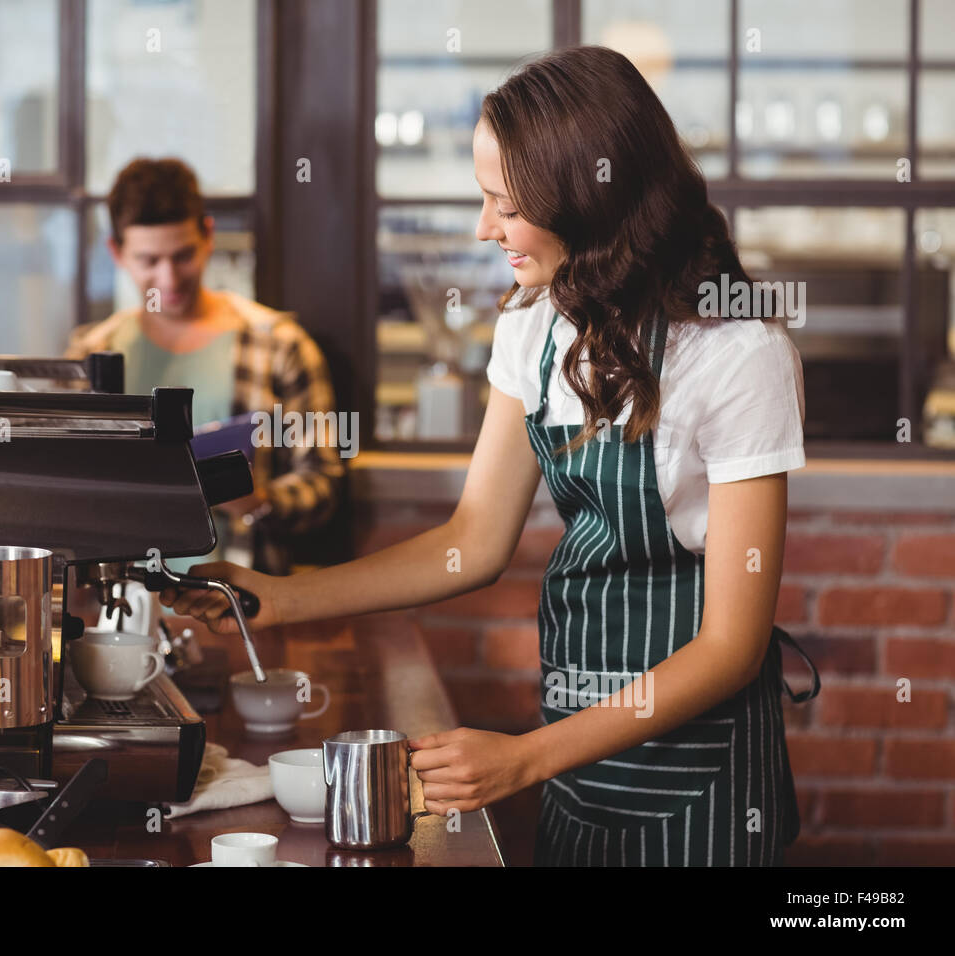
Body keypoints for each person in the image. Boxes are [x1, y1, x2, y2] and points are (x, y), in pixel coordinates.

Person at [161, 45, 821, 866]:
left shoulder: (737, 357)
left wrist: (523, 756)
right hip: (579, 759)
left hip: (698, 779)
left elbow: (733, 646)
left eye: (504, 205)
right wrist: (277, 600)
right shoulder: (536, 326)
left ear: (586, 201)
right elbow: (471, 541)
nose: (485, 228)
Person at [66, 158, 343, 574]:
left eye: (183, 256)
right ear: (116, 253)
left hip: (236, 591)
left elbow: (323, 482)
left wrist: (257, 501)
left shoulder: (280, 346)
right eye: (149, 260)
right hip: (119, 599)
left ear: (208, 236)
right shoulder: (90, 353)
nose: (169, 278)